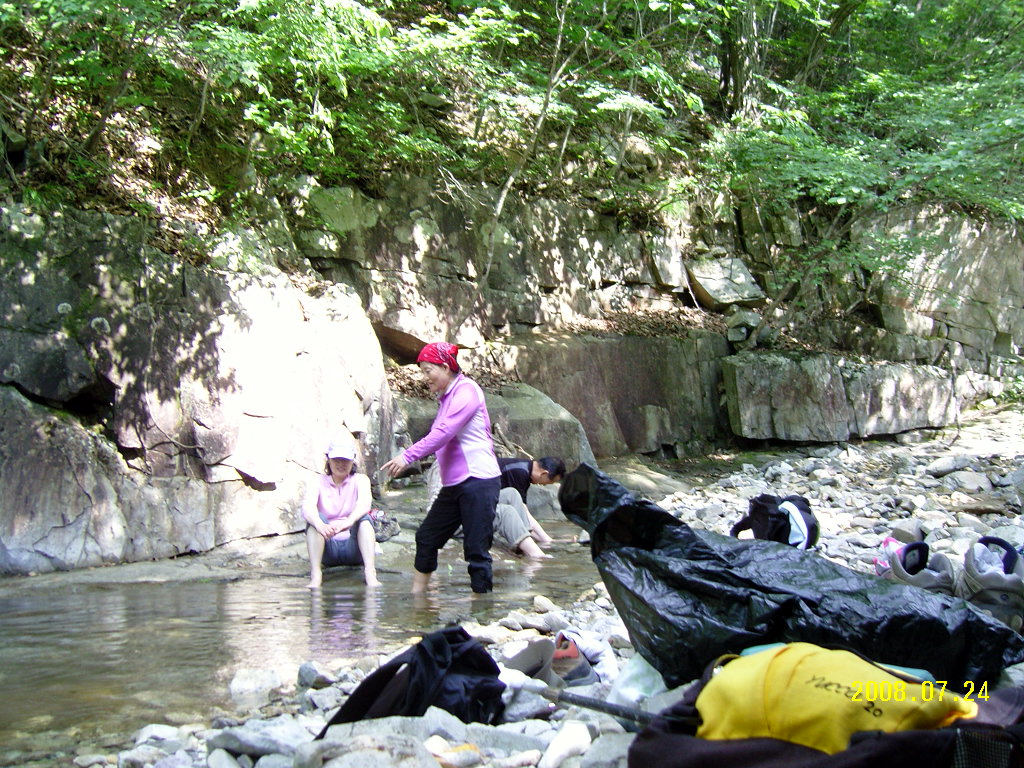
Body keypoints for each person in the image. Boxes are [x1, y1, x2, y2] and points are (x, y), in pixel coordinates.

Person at [381, 342, 501, 594]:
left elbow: (444, 433)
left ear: (445, 367)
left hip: (479, 480)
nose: (424, 378)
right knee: (427, 537)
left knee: (476, 550)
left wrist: (407, 456)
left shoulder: (467, 391)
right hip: (456, 484)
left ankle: (484, 615)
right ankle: (419, 600)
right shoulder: (448, 397)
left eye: (427, 371)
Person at [302, 434, 380, 589]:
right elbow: (308, 508)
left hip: (355, 547)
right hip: (328, 546)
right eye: (336, 459)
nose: (341, 464)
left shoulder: (361, 480)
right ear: (328, 460)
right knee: (314, 523)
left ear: (352, 461)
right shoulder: (317, 482)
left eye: (345, 460)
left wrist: (348, 522)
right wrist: (320, 524)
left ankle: (370, 573)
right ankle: (316, 574)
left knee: (364, 519)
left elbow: (364, 504)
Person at [493, 456, 566, 558]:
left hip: (486, 496)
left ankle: (534, 542)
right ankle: (533, 550)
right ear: (544, 474)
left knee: (512, 495)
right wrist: (546, 539)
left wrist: (546, 539)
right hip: (474, 502)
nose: (544, 485)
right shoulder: (519, 473)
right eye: (549, 482)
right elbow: (523, 512)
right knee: (510, 508)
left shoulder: (524, 467)